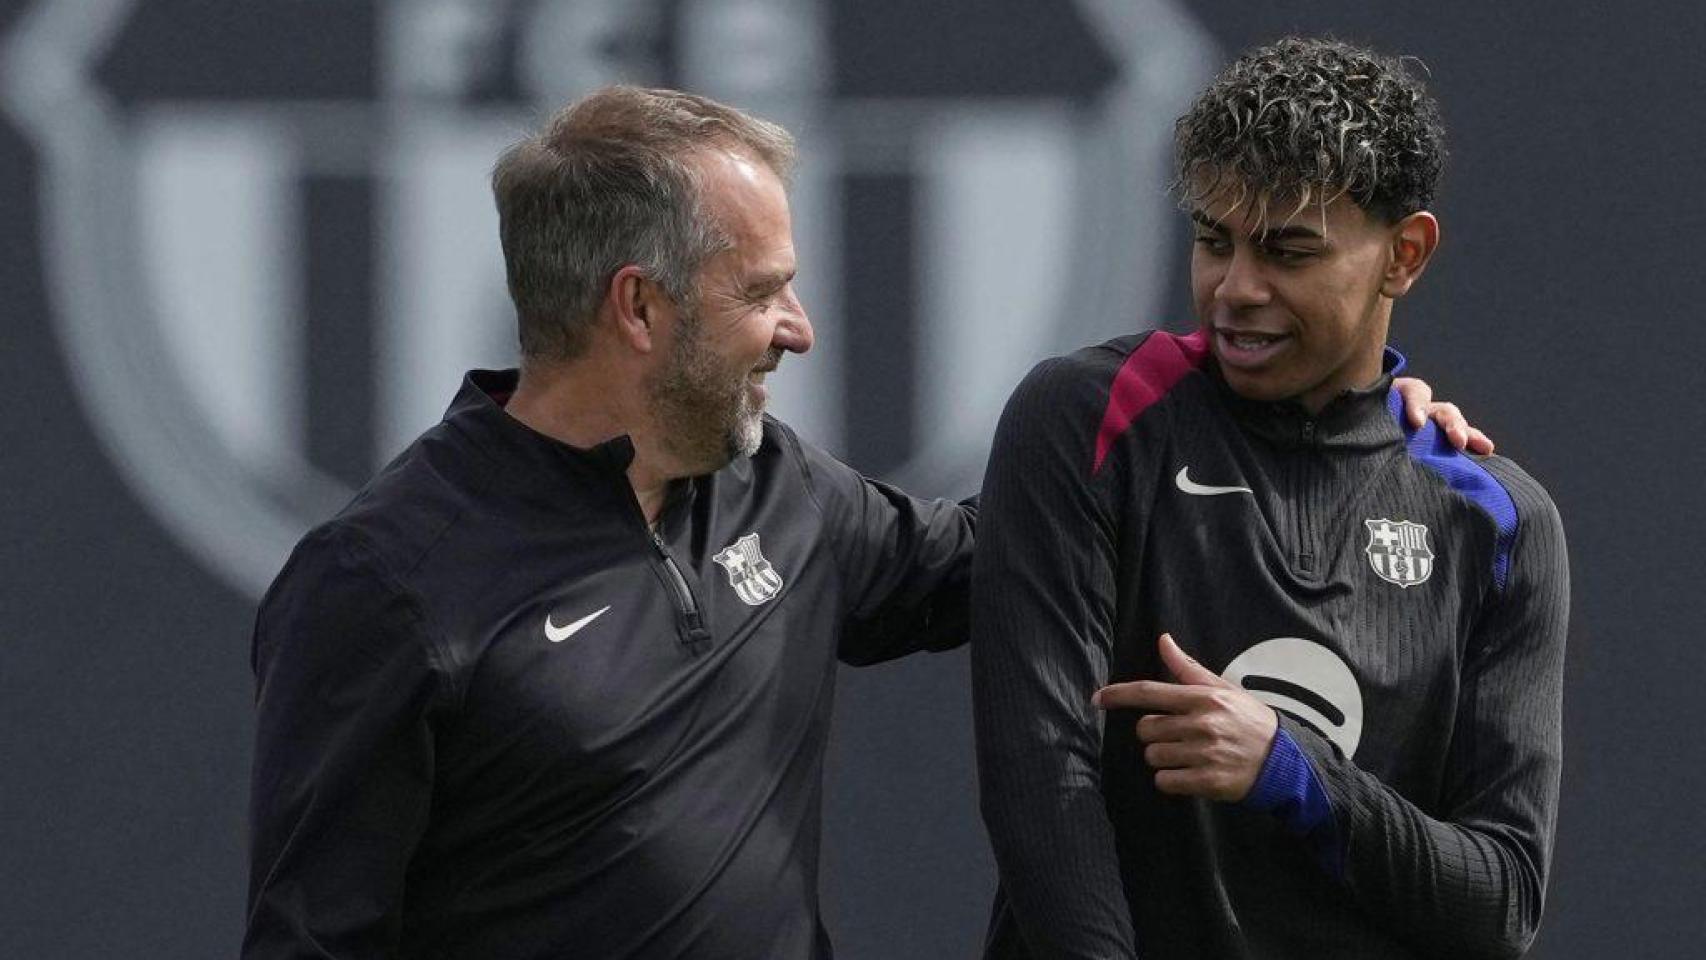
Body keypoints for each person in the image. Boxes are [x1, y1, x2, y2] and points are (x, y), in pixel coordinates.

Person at [244, 84, 1485, 959]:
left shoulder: (785, 495)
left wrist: (1346, 418)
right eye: (765, 292)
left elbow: (1059, 541)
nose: (800, 329)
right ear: (637, 308)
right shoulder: (383, 582)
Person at [972, 37, 1567, 960]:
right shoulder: (1087, 419)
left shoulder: (1497, 522)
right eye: (1214, 240)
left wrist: (1292, 772)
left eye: (1289, 250)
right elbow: (1041, 783)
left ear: (1403, 255)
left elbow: (1501, 902)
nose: (1235, 289)